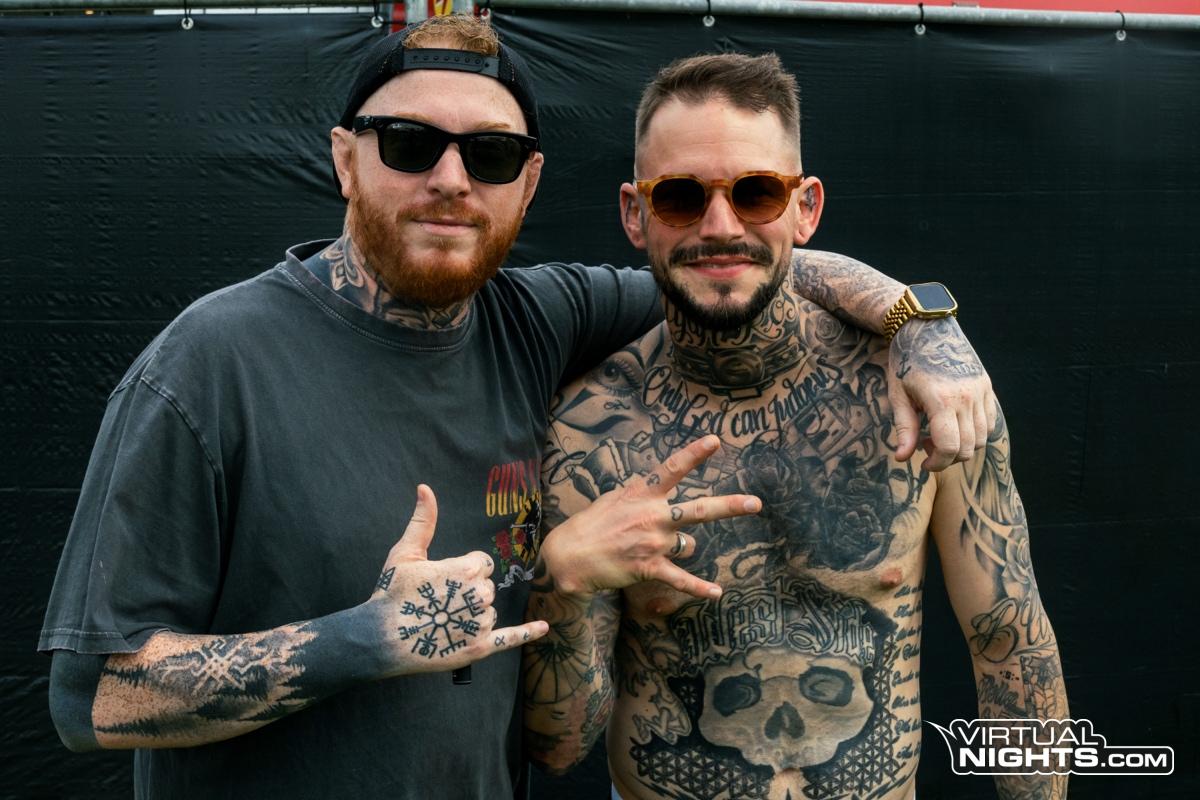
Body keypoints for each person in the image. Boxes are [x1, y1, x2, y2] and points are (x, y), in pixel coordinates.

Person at [40, 18, 996, 799]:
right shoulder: (210, 365)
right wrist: (362, 640)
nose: (450, 179)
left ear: (527, 182)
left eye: (491, 155)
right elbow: (90, 702)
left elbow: (733, 263)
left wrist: (922, 320)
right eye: (409, 144)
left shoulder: (535, 319)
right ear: (344, 160)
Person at [523, 53, 1068, 800]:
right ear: (634, 214)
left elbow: (1009, 645)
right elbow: (557, 750)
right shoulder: (590, 437)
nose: (720, 226)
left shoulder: (921, 393)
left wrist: (920, 320)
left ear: (805, 208)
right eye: (680, 197)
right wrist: (564, 582)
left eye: (757, 193)